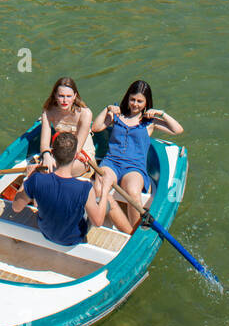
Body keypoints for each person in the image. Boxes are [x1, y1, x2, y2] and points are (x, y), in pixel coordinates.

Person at [10, 131, 129, 246]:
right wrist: (105, 190)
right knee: (108, 202)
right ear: (76, 156)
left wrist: (28, 177)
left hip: (46, 232)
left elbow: (16, 207)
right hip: (73, 239)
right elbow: (98, 222)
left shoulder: (36, 179)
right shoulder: (85, 188)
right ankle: (131, 236)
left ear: (52, 153)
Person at [92, 80, 183, 221]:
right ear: (127, 98)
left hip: (134, 168)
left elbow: (177, 130)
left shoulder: (149, 122)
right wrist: (107, 109)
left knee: (133, 193)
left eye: (140, 101)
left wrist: (161, 113)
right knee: (100, 187)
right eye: (132, 99)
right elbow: (96, 128)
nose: (135, 104)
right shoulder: (117, 115)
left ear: (146, 102)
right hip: (111, 163)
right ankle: (120, 223)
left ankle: (134, 230)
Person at [38, 77, 95, 178]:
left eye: (69, 96)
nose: (65, 100)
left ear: (75, 96)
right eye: (61, 96)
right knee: (46, 167)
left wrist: (57, 162)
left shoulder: (85, 113)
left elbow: (77, 148)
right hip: (59, 148)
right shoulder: (48, 112)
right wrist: (46, 155)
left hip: (80, 151)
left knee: (58, 170)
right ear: (55, 95)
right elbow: (44, 142)